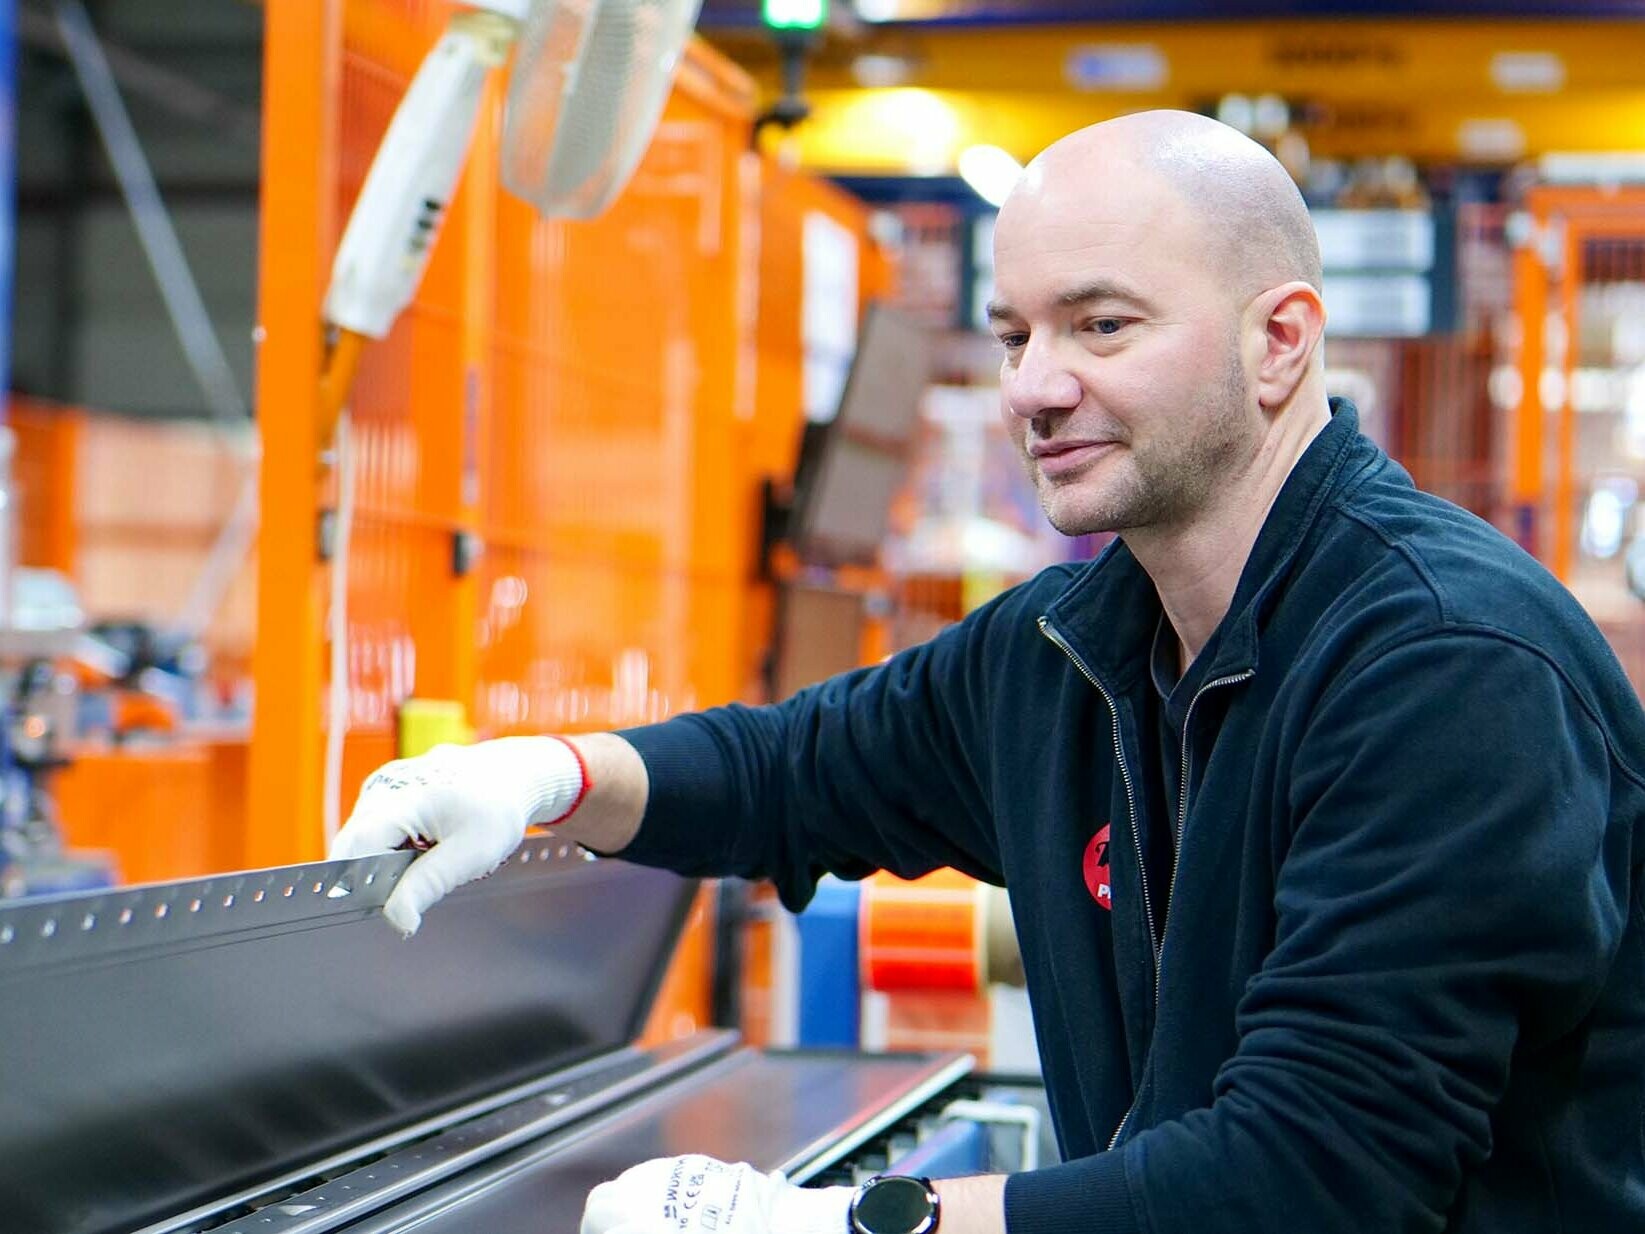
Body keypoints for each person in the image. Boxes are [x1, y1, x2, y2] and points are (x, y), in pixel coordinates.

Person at [330, 110, 1645, 1234]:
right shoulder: (1071, 643)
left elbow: (1315, 1174)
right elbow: (793, 769)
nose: (1033, 385)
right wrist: (545, 777)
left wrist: (846, 1223)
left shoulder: (1444, 666)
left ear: (1279, 342)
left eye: (1100, 325)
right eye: (1013, 333)